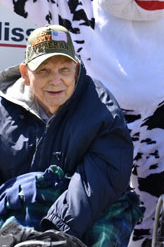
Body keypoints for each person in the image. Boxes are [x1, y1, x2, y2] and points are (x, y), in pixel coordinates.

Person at [0, 25, 143, 247]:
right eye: (44, 70)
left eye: (64, 70)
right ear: (25, 74)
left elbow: (99, 180)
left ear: (76, 70)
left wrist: (53, 234)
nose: (56, 81)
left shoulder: (102, 109)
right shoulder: (3, 109)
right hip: (18, 207)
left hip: (87, 212)